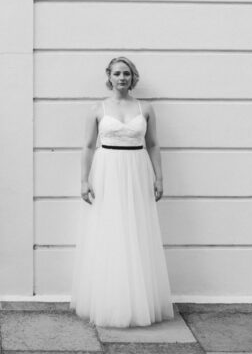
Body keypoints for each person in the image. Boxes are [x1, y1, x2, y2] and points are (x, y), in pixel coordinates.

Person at [70, 56, 174, 328]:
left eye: (126, 73)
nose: (122, 78)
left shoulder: (146, 108)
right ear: (109, 76)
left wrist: (159, 177)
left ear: (133, 77)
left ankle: (138, 302)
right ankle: (108, 301)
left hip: (137, 170)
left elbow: (153, 144)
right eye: (117, 73)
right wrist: (84, 180)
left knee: (136, 230)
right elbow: (87, 146)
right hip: (107, 171)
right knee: (109, 230)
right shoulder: (97, 109)